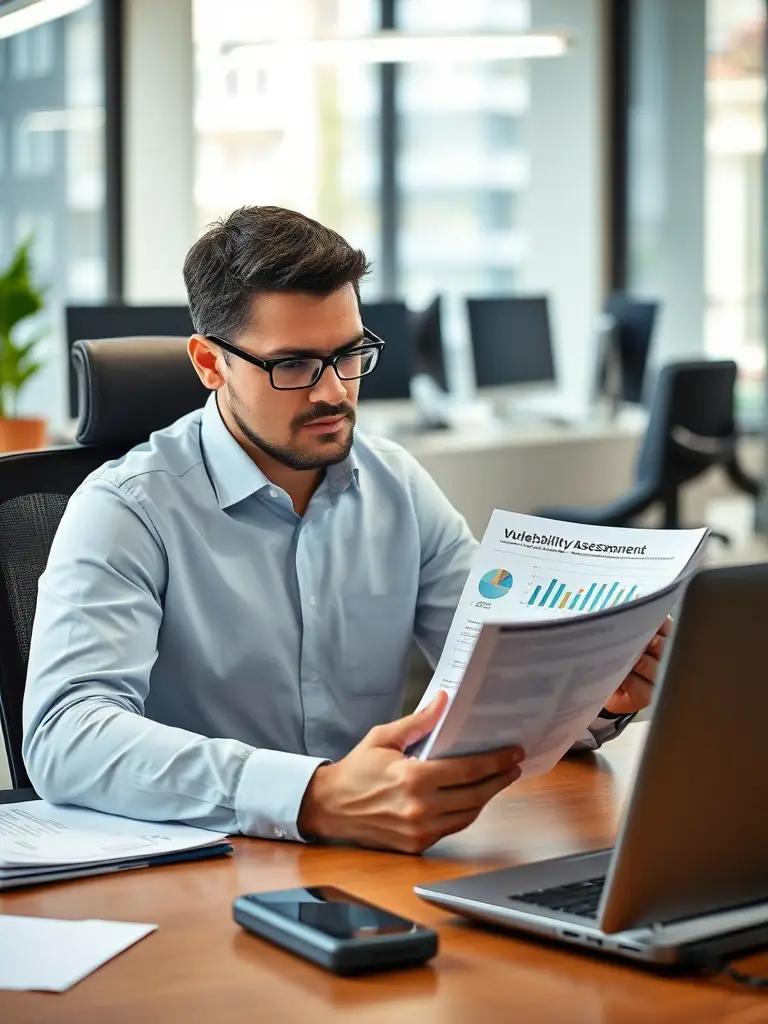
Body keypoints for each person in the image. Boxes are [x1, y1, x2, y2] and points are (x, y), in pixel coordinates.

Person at [22, 206, 667, 854]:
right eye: (294, 365)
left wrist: (593, 697)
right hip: (207, 865)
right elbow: (65, 737)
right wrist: (313, 796)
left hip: (376, 859)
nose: (333, 392)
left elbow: (497, 679)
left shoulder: (397, 485)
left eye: (350, 354)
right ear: (210, 363)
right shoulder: (127, 508)